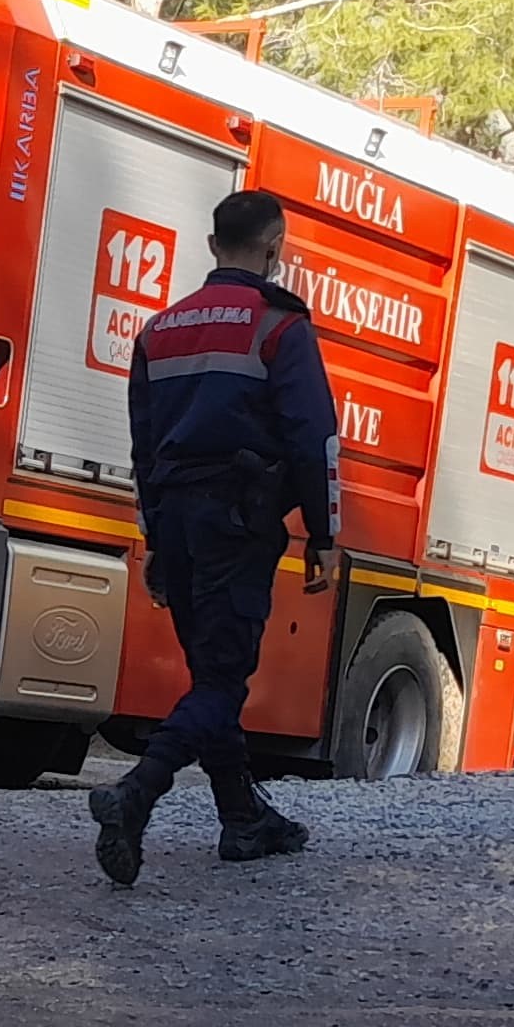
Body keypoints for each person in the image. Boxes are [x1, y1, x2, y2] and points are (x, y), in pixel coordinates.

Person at [90, 189, 340, 886]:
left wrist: (156, 540)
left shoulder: (159, 330)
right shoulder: (281, 330)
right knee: (225, 680)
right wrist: (324, 533)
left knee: (210, 674)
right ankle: (135, 795)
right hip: (239, 523)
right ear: (276, 246)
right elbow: (313, 435)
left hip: (175, 520)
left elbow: (144, 450)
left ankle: (243, 818)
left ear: (210, 246)